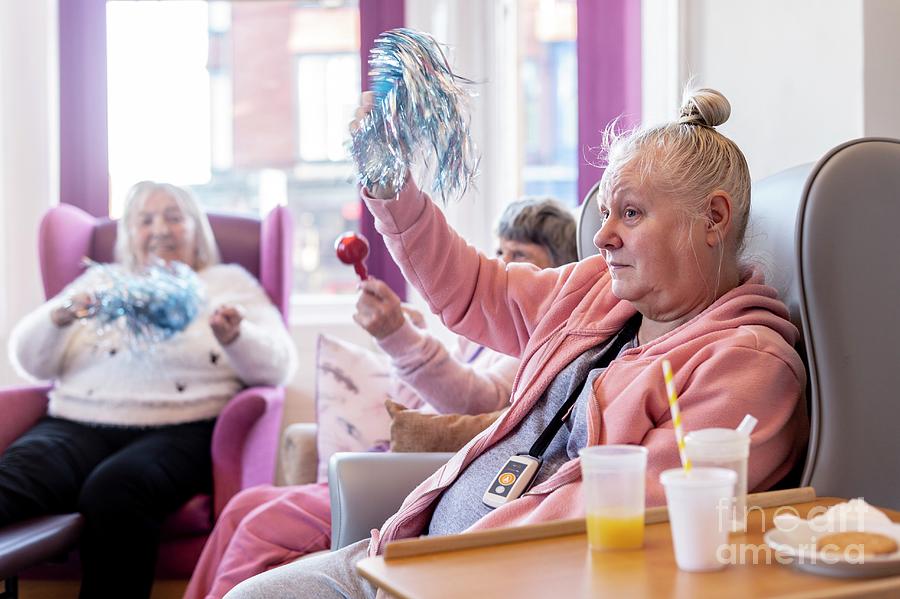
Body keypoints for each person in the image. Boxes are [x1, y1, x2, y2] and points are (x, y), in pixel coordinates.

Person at [224, 87, 809, 599]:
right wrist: (391, 186)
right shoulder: (594, 292)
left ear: (712, 218)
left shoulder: (744, 366)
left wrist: (444, 564)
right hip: (409, 561)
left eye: (630, 213)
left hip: (479, 578)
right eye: (606, 212)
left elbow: (628, 520)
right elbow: (473, 288)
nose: (602, 235)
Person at [183, 198, 577, 599]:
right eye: (500, 252)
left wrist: (401, 338)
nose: (506, 265)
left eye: (521, 256)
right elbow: (427, 403)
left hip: (412, 477)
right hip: (386, 457)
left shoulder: (541, 345)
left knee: (256, 525)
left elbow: (480, 399)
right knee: (241, 507)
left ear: (560, 273)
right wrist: (407, 334)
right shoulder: (480, 336)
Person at [1, 181, 297, 599]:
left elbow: (279, 366)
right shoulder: (102, 281)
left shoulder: (228, 283)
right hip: (76, 422)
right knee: (14, 480)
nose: (160, 229)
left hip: (181, 426)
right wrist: (63, 313)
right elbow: (31, 361)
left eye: (174, 218)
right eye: (145, 220)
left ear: (196, 229)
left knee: (115, 490)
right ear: (128, 236)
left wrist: (235, 336)